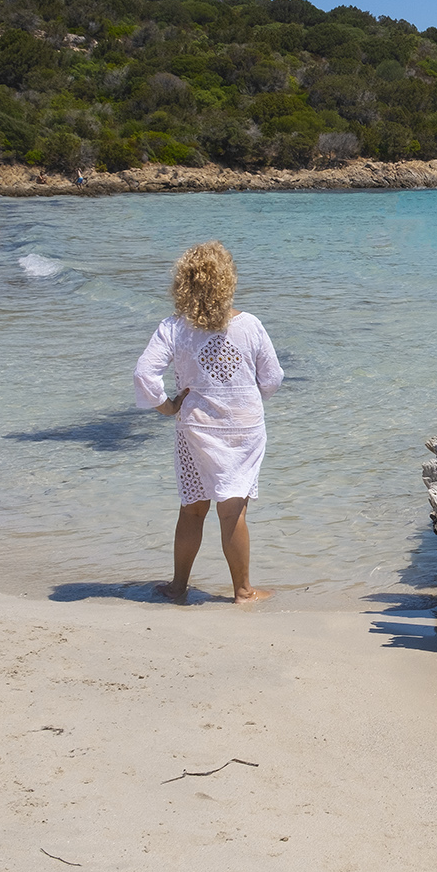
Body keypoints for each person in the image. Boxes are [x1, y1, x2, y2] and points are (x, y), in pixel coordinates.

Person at [134, 242, 283, 603]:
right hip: (245, 428)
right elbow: (273, 377)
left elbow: (144, 373)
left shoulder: (174, 329)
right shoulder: (250, 325)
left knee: (192, 508)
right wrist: (247, 396)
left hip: (196, 428)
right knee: (233, 512)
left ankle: (178, 586)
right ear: (228, 281)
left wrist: (166, 407)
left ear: (183, 283)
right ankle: (243, 591)